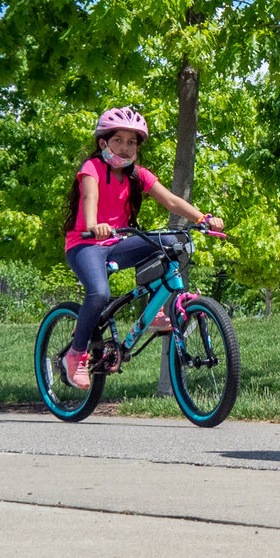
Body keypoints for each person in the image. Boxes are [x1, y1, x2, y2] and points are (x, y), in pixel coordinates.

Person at [60, 107, 225, 388]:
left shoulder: (138, 175)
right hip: (86, 243)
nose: (125, 148)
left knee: (171, 241)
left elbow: (171, 201)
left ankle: (154, 311)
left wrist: (202, 218)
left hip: (118, 242)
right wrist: (94, 224)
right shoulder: (92, 168)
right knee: (99, 294)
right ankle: (75, 356)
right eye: (118, 141)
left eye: (132, 142)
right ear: (103, 143)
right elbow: (90, 196)